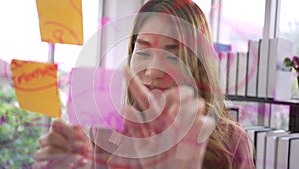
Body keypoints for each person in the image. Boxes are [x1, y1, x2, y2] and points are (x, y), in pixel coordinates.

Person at [33, 0, 255, 168]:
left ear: (197, 64)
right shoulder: (103, 130)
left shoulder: (232, 141)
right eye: (144, 51)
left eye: (172, 55)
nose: (152, 71)